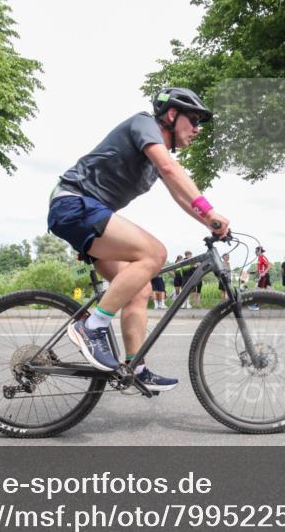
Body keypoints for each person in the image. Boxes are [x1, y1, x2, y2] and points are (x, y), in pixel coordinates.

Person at [46, 87, 229, 391]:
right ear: (172, 115)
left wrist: (211, 224)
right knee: (154, 253)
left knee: (139, 290)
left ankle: (134, 368)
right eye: (193, 120)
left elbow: (179, 196)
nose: (197, 129)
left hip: (87, 214)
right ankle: (91, 328)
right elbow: (171, 170)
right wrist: (210, 211)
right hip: (74, 204)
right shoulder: (144, 124)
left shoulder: (155, 160)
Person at [250, 246, 271, 311]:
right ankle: (283, 301)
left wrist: (264, 273)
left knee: (257, 290)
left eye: (256, 251)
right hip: (262, 276)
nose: (255, 252)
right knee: (270, 290)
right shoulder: (259, 258)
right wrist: (254, 272)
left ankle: (255, 305)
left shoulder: (263, 257)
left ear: (259, 251)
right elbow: (259, 268)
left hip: (264, 276)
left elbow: (269, 266)